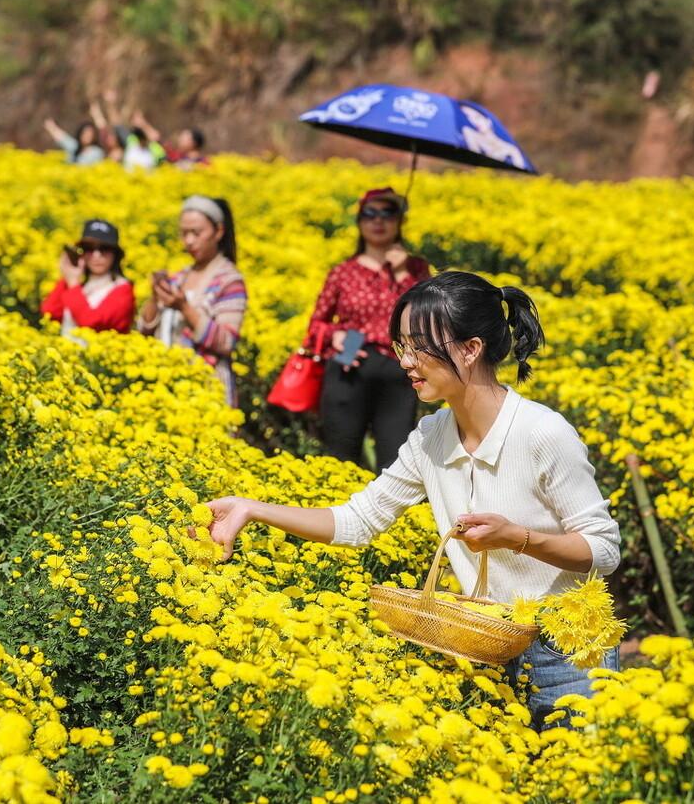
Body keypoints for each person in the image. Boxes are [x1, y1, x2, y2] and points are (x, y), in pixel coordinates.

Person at [204, 271, 623, 732]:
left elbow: (603, 551)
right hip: (487, 644)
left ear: (470, 348)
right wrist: (251, 508)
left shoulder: (542, 432)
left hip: (568, 649)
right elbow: (357, 520)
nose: (406, 361)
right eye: (401, 345)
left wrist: (516, 538)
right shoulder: (430, 437)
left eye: (419, 346)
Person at [307, 187, 430, 473]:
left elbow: (425, 317)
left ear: (400, 221)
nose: (378, 221)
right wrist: (335, 336)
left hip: (401, 368)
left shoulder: (416, 269)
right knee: (339, 456)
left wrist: (402, 274)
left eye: (388, 213)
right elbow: (316, 325)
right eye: (369, 214)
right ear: (359, 222)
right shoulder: (343, 271)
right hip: (350, 360)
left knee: (397, 460)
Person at [137, 196, 246, 406]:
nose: (188, 241)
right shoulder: (180, 277)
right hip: (167, 391)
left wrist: (184, 308)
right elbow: (144, 331)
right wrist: (154, 296)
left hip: (208, 394)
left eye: (196, 233)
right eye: (184, 233)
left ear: (219, 232)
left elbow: (226, 341)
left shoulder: (230, 281)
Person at [40, 219, 135, 336]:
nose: (96, 255)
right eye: (89, 248)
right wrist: (67, 275)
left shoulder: (123, 289)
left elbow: (92, 323)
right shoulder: (78, 285)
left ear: (115, 254)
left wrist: (73, 284)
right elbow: (50, 313)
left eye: (104, 248)